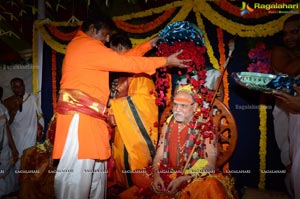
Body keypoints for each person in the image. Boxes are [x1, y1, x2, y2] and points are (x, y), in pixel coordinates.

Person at [51, 14, 190, 199]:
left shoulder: (88, 48)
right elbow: (124, 62)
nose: (108, 40)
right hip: (81, 121)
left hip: (91, 122)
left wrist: (150, 44)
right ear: (93, 29)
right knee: (76, 180)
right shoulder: (85, 46)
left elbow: (121, 59)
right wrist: (165, 61)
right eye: (106, 35)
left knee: (94, 181)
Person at [119, 84, 236, 199]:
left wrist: (183, 179)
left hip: (192, 177)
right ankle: (168, 191)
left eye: (183, 106)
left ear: (195, 106)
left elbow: (210, 165)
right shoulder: (168, 124)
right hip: (169, 172)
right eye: (175, 105)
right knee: (137, 175)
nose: (177, 109)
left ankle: (176, 192)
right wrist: (156, 176)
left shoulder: (206, 126)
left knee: (210, 185)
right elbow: (158, 156)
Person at [108, 33, 160, 188]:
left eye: (113, 52)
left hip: (134, 130)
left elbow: (145, 102)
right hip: (120, 128)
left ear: (120, 48)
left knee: (133, 166)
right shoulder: (118, 74)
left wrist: (115, 107)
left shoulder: (140, 70)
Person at [271, 14, 300, 198]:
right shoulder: (280, 52)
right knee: (295, 164)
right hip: (291, 113)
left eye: (294, 32)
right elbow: (287, 71)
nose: (288, 37)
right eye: (285, 33)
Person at [3, 78, 44, 178]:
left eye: (21, 85)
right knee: (17, 164)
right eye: (16, 87)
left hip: (30, 136)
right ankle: (19, 186)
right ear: (12, 88)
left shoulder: (33, 98)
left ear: (24, 86)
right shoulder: (7, 102)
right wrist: (14, 110)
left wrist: (41, 132)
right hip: (16, 137)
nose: (19, 89)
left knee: (28, 162)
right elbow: (6, 123)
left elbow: (40, 116)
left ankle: (27, 188)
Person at [0, 86, 19, 197]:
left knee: (5, 169)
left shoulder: (2, 108)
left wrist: (14, 148)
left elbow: (7, 128)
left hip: (4, 146)